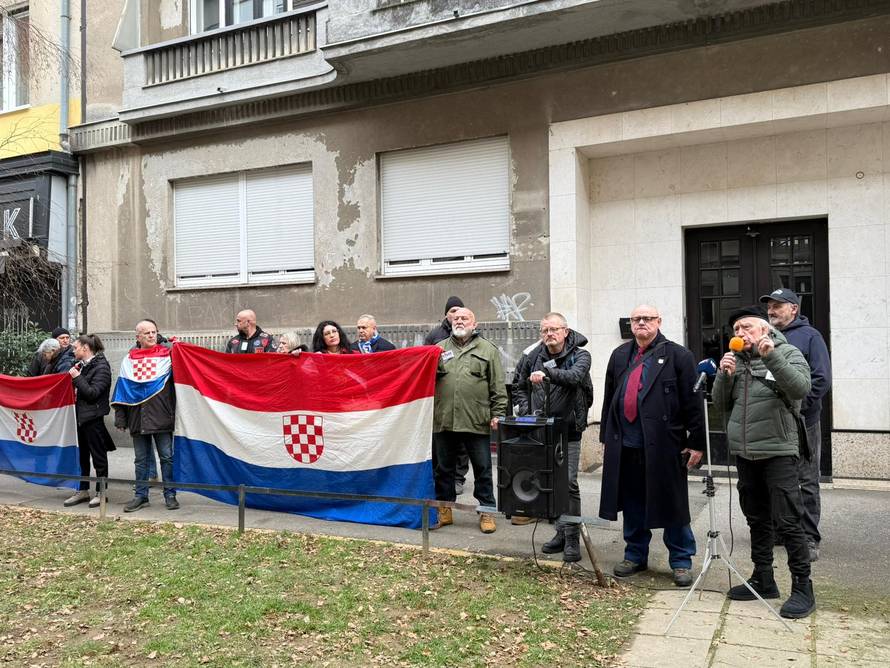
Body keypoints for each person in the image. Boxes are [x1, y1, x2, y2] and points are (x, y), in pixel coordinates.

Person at [713, 306, 815, 619]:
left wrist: (771, 356)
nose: (739, 333)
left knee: (788, 520)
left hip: (778, 450)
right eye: (736, 329)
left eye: (746, 327)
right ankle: (763, 578)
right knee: (757, 517)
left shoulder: (789, 352)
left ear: (764, 330)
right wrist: (723, 375)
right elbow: (720, 405)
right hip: (745, 452)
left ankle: (802, 587)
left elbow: (801, 389)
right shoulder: (737, 361)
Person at [598, 305, 704, 587]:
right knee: (632, 503)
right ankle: (635, 555)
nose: (641, 323)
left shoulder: (678, 355)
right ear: (630, 324)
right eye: (636, 319)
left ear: (659, 321)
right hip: (627, 443)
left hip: (664, 445)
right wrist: (607, 439)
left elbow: (693, 402)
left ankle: (681, 560)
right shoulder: (620, 355)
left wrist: (696, 443)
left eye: (647, 318)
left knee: (672, 503)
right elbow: (610, 399)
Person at [512, 312, 592, 558]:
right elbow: (518, 386)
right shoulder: (533, 356)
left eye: (554, 330)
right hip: (541, 431)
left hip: (568, 431)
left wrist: (547, 375)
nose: (549, 335)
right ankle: (559, 532)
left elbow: (575, 377)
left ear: (565, 332)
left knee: (568, 482)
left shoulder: (580, 354)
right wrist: (528, 413)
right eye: (545, 331)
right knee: (549, 482)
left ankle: (572, 539)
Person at [760, 288, 831, 562]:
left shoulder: (810, 336)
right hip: (773, 422)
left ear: (794, 309)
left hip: (803, 421)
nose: (772, 310)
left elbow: (821, 379)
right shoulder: (765, 337)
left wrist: (799, 408)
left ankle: (809, 538)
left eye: (778, 305)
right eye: (769, 306)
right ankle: (782, 530)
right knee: (778, 478)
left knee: (806, 480)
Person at [432, 308, 506, 534]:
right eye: (456, 318)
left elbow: (498, 385)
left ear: (475, 324)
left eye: (465, 318)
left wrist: (498, 412)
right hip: (444, 420)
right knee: (443, 469)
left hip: (476, 420)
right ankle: (445, 509)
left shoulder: (488, 350)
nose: (460, 321)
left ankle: (486, 511)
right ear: (449, 322)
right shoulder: (438, 349)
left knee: (483, 468)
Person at [113, 320, 179, 512]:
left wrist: (182, 348)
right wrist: (120, 417)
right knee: (141, 460)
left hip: (162, 417)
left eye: (154, 332)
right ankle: (141, 496)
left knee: (167, 458)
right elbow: (121, 391)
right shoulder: (129, 361)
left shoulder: (168, 357)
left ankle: (170, 495)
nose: (151, 336)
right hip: (137, 418)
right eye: (147, 333)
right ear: (138, 337)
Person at [63, 334, 116, 508]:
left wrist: (77, 377)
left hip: (93, 418)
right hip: (78, 417)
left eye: (75, 347)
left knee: (98, 456)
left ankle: (101, 493)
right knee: (82, 456)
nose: (73, 350)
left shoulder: (101, 367)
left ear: (85, 348)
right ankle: (82, 489)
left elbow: (93, 393)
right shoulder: (80, 366)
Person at [424, 296, 470, 494]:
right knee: (440, 443)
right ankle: (441, 478)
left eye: (459, 312)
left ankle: (458, 478)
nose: (456, 316)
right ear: (446, 315)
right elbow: (424, 363)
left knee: (462, 444)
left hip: (466, 401)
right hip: (441, 399)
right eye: (452, 311)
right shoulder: (435, 336)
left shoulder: (471, 334)